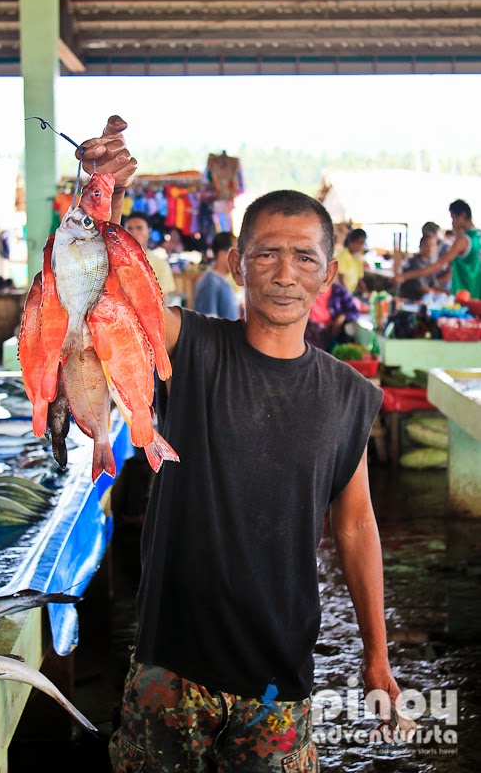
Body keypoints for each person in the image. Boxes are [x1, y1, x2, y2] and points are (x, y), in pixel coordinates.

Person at [79, 118, 412, 772]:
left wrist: (376, 654)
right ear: (235, 261)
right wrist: (100, 199)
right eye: (266, 253)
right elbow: (108, 301)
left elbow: (354, 527)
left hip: (278, 679)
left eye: (304, 257)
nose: (284, 273)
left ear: (325, 271)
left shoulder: (348, 396)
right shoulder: (192, 348)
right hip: (168, 666)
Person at [395, 199, 481, 298]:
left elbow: (438, 265)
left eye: (453, 218)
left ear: (462, 216)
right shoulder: (478, 236)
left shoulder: (463, 240)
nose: (452, 223)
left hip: (467, 295)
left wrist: (405, 276)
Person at [126, 212, 176, 297]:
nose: (133, 232)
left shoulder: (161, 265)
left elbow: (163, 302)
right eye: (129, 228)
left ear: (148, 233)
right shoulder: (114, 261)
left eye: (139, 228)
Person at [194, 231, 239, 319]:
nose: (238, 258)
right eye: (235, 253)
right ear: (222, 255)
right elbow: (207, 324)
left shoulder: (223, 280)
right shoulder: (210, 283)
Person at [305, 280, 360, 351]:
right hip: (310, 334)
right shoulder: (305, 290)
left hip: (331, 333)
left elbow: (354, 311)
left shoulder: (338, 290)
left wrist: (342, 317)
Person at [398, 233, 446, 301]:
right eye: (427, 245)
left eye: (433, 245)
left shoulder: (430, 264)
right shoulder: (414, 262)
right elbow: (421, 288)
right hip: (411, 301)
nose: (430, 248)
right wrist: (440, 293)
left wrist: (446, 292)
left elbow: (433, 285)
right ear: (420, 246)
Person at [335, 228, 369, 296]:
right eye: (358, 242)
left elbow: (359, 280)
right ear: (351, 241)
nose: (360, 246)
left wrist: (366, 292)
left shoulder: (358, 259)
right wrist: (347, 296)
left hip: (349, 294)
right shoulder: (343, 256)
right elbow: (341, 279)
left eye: (362, 243)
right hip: (339, 294)